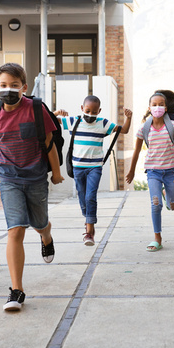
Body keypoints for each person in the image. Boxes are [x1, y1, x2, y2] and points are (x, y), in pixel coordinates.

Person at [0, 63, 64, 311]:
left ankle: (46, 235)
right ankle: (17, 291)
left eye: (14, 86)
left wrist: (56, 173)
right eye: (4, 86)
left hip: (36, 178)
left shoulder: (36, 110)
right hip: (9, 179)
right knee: (15, 230)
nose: (9, 90)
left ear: (24, 87)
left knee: (38, 224)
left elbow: (49, 144)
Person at [125, 90, 174, 251]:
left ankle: (167, 195)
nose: (157, 107)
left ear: (165, 108)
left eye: (161, 105)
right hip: (153, 172)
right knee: (155, 204)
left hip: (171, 171)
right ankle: (157, 238)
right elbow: (136, 151)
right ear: (149, 107)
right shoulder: (144, 128)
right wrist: (131, 171)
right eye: (154, 105)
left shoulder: (173, 126)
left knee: (173, 206)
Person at [55, 96, 132, 245]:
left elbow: (124, 130)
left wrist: (128, 118)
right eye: (88, 110)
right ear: (82, 108)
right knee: (82, 197)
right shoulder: (74, 121)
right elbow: (48, 119)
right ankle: (88, 219)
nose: (90, 114)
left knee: (90, 196)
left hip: (95, 167)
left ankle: (89, 231)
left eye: (94, 112)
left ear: (99, 111)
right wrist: (57, 111)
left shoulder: (103, 123)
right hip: (78, 167)